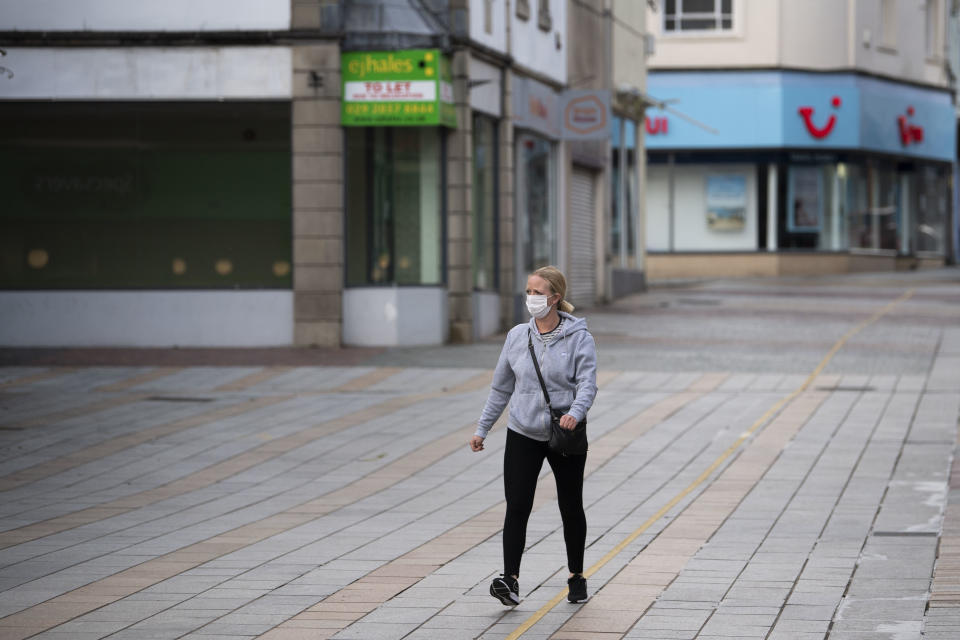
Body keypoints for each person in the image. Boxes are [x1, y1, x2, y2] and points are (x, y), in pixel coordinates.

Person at [469, 265, 598, 606]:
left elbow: (588, 383)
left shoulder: (579, 338)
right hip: (523, 432)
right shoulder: (516, 337)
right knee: (517, 505)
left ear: (555, 298)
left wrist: (575, 412)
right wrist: (482, 429)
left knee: (570, 505)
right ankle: (509, 580)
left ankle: (576, 575)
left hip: (564, 433)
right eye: (528, 291)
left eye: (538, 293)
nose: (531, 298)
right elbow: (501, 388)